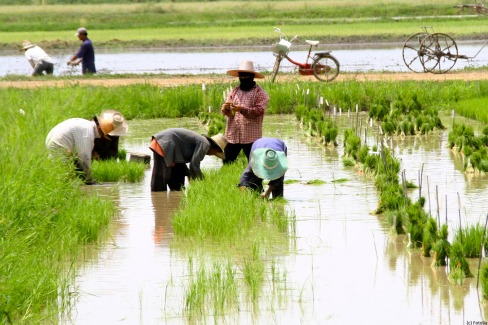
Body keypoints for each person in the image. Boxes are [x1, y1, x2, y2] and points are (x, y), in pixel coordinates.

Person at [45, 110, 128, 184]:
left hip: (53, 140)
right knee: (64, 176)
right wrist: (90, 181)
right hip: (59, 144)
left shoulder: (87, 126)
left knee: (61, 172)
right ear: (100, 130)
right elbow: (84, 158)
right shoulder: (88, 134)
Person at [221, 60, 269, 164]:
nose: (243, 78)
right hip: (233, 135)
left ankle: (254, 181)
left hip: (251, 136)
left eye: (246, 76)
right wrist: (225, 108)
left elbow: (259, 111)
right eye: (241, 76)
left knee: (254, 164)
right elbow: (227, 112)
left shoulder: (260, 93)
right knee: (227, 162)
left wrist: (241, 109)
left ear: (252, 76)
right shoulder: (235, 91)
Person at [149, 128, 228, 192]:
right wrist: (203, 181)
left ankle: (174, 203)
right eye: (215, 153)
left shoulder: (202, 142)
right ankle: (159, 204)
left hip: (169, 146)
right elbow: (194, 165)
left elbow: (183, 164)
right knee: (161, 178)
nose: (212, 155)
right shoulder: (205, 144)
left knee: (178, 180)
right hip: (165, 144)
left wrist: (189, 175)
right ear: (215, 147)